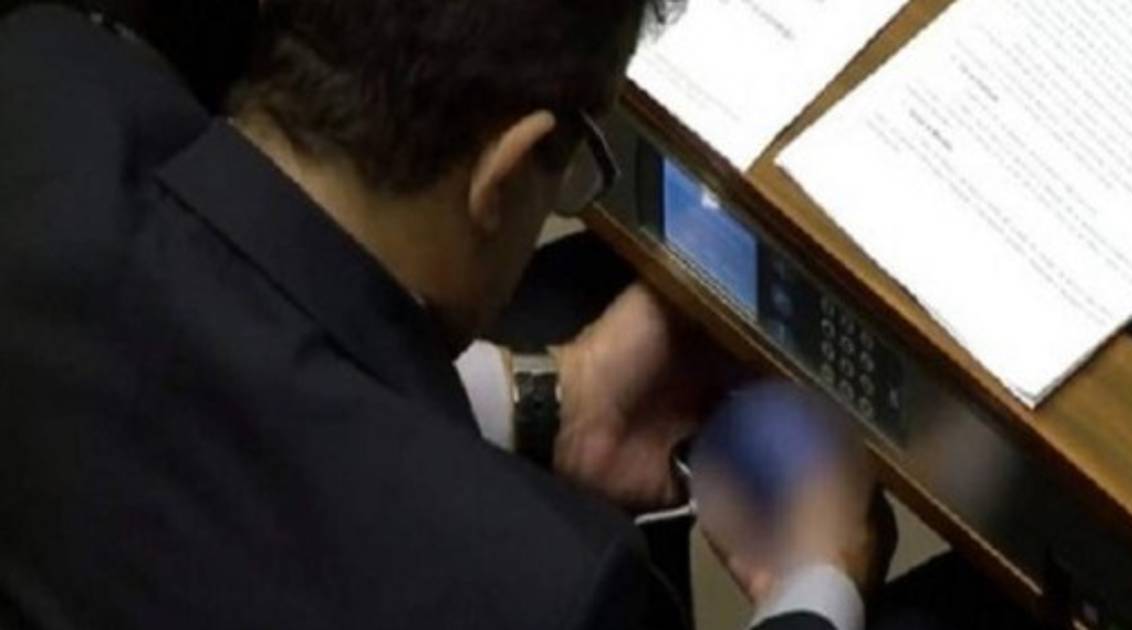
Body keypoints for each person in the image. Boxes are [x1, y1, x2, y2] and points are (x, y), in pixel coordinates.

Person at [0, 1, 959, 629]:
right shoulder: (544, 592)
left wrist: (551, 396)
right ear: (504, 173)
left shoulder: (44, 84)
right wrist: (819, 583)